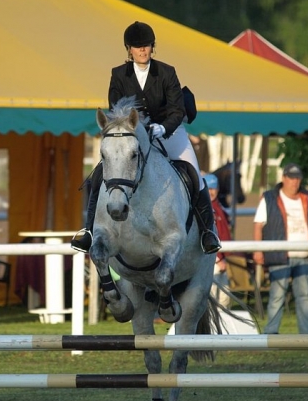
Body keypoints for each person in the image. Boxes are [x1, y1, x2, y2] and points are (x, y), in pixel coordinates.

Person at [71, 21, 221, 255]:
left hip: (168, 131)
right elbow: (115, 109)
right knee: (102, 171)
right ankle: (89, 230)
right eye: (137, 46)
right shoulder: (118, 74)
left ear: (152, 47)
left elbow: (177, 110)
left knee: (194, 172)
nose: (142, 50)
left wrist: (163, 127)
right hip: (133, 133)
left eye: (147, 46)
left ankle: (207, 232)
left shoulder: (166, 71)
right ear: (129, 49)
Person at [253, 163, 308, 334]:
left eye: (297, 178)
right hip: (279, 256)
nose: (294, 182)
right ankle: (271, 333)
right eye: (291, 178)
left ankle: (307, 333)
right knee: (277, 296)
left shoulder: (307, 199)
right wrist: (258, 250)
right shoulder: (269, 198)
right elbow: (258, 225)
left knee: (305, 297)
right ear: (284, 178)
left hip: (304, 256)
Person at [205, 173, 232, 307]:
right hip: (212, 259)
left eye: (213, 188)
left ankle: (220, 327)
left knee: (224, 299)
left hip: (222, 258)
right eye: (208, 188)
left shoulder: (219, 208)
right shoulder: (205, 210)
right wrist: (219, 258)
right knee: (212, 297)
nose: (211, 192)